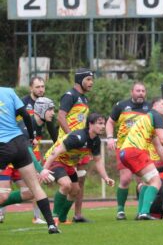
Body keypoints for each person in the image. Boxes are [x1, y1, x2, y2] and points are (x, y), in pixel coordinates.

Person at [0, 87, 59, 234]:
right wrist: (31, 137)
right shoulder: (9, 92)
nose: (53, 113)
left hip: (3, 146)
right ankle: (51, 225)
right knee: (35, 188)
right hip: (19, 143)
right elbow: (25, 114)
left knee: (7, 194)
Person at [40, 112, 115, 225]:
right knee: (66, 185)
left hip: (68, 164)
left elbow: (98, 161)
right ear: (90, 124)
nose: (103, 126)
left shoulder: (96, 141)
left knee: (75, 190)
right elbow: (55, 152)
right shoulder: (78, 137)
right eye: (100, 123)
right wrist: (43, 170)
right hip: (55, 160)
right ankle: (53, 217)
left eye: (104, 124)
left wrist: (106, 178)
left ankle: (62, 217)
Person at [105, 81, 151, 220]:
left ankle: (141, 211)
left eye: (143, 91)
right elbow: (110, 122)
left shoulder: (149, 107)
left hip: (142, 148)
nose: (141, 93)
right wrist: (110, 138)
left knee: (143, 180)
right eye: (138, 91)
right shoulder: (121, 105)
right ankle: (120, 210)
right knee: (125, 179)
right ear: (132, 92)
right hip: (124, 147)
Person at [57, 68, 94, 223]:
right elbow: (60, 117)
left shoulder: (84, 99)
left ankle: (77, 215)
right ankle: (56, 215)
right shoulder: (69, 95)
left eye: (92, 80)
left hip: (81, 146)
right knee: (68, 183)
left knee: (81, 179)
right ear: (79, 80)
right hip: (69, 145)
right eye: (88, 79)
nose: (91, 83)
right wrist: (71, 137)